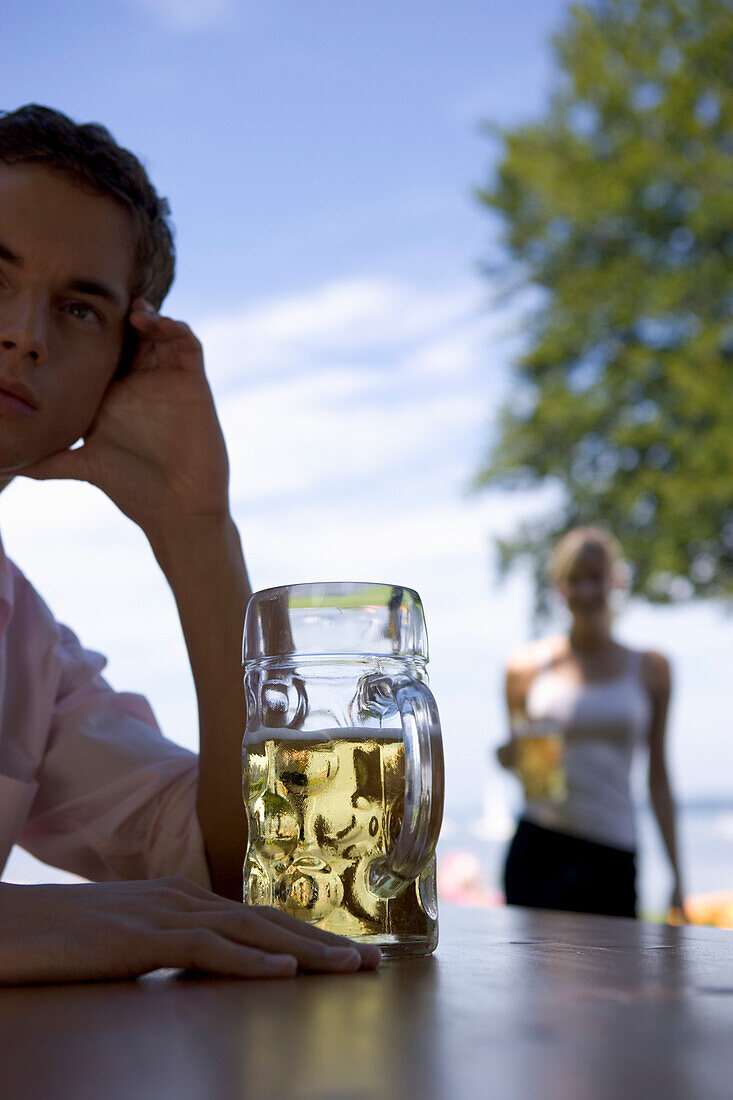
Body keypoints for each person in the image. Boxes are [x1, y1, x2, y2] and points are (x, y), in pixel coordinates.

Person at [0, 104, 381, 982]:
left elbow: (250, 866)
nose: (26, 332)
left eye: (80, 309)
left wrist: (198, 532)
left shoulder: (26, 653)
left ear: (118, 375)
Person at [496, 525, 685, 920]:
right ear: (558, 587)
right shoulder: (525, 667)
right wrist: (510, 756)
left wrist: (678, 878)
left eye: (595, 578)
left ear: (616, 580)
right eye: (573, 580)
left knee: (617, 982)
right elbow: (521, 761)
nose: (585, 591)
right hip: (539, 846)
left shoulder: (652, 669)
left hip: (613, 849)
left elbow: (659, 776)